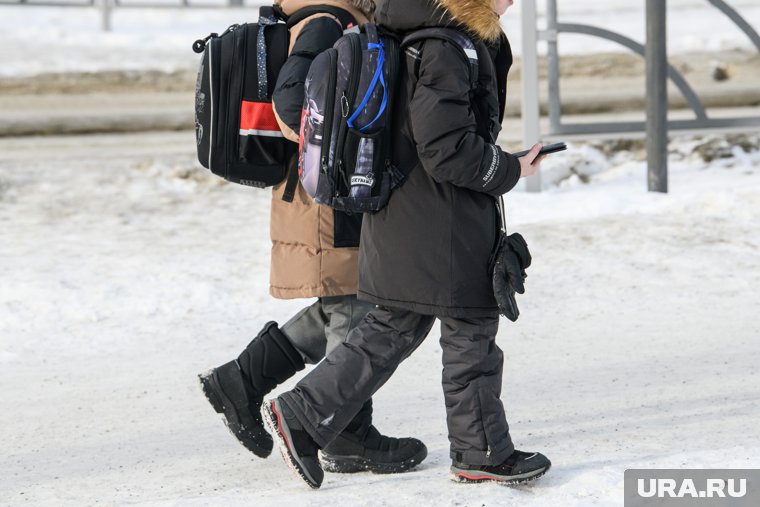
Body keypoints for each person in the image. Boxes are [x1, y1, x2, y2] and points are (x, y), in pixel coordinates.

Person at [262, 0, 551, 489]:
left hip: (403, 213)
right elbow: (444, 149)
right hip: (443, 219)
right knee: (471, 328)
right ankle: (481, 452)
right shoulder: (445, 44)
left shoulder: (414, 29)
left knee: (392, 328)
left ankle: (302, 413)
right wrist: (508, 168)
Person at [198, 0, 427, 475]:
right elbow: (292, 106)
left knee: (342, 305)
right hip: (326, 194)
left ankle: (241, 381)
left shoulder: (336, 16)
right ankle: (345, 433)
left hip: (324, 189)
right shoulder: (327, 20)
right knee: (353, 308)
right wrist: (341, 150)